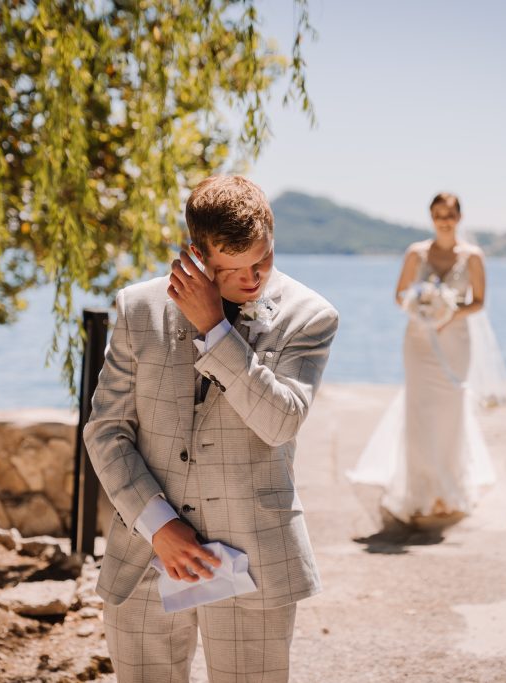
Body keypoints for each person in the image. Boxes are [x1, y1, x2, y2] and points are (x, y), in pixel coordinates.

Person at [83, 175, 338, 682]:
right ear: (195, 255)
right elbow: (106, 431)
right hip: (145, 556)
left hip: (255, 558)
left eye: (262, 259)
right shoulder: (138, 309)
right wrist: (158, 526)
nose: (253, 278)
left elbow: (280, 422)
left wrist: (216, 331)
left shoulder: (310, 316)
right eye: (232, 268)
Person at [348, 192, 502, 524]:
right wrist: (422, 307)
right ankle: (419, 489)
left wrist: (448, 313)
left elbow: (478, 303)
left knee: (450, 410)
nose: (444, 220)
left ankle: (449, 487)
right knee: (419, 408)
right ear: (431, 217)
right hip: (419, 340)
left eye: (449, 214)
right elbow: (399, 295)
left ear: (460, 217)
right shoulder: (416, 253)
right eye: (438, 214)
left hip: (456, 340)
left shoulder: (473, 256)